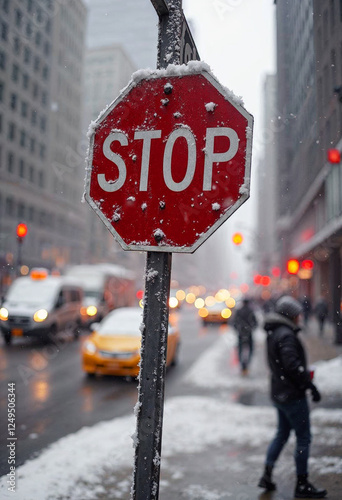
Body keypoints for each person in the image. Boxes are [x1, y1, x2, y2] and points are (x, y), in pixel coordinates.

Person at [258, 295, 327, 498]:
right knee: (303, 437)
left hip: (279, 392)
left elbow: (284, 365)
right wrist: (309, 384)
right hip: (291, 395)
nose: (299, 317)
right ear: (290, 315)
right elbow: (292, 366)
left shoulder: (274, 332)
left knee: (282, 434)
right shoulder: (286, 334)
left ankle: (267, 475)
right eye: (297, 314)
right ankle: (302, 484)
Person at [233, 297, 257, 375]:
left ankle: (242, 364)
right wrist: (251, 328)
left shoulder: (239, 311)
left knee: (240, 349)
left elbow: (234, 322)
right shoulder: (251, 311)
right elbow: (255, 322)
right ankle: (247, 364)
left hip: (240, 333)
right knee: (250, 349)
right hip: (249, 333)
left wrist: (238, 329)